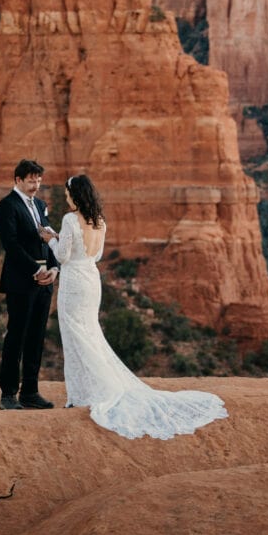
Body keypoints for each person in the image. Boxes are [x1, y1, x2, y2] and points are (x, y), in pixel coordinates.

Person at [40, 174, 228, 440]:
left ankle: (80, 395)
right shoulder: (100, 222)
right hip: (91, 280)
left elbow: (62, 256)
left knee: (74, 335)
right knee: (90, 332)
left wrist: (49, 238)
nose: (66, 197)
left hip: (73, 283)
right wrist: (61, 239)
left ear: (74, 195)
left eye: (68, 193)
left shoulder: (70, 219)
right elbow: (95, 255)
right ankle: (86, 391)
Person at [0, 159, 59, 410]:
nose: (36, 185)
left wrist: (54, 269)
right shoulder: (6, 206)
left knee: (37, 336)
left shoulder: (41, 205)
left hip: (45, 282)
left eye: (39, 180)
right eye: (31, 180)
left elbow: (49, 239)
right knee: (17, 337)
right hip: (21, 280)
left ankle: (30, 392)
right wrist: (36, 269)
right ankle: (8, 394)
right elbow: (10, 245)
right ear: (18, 180)